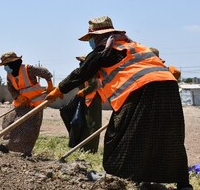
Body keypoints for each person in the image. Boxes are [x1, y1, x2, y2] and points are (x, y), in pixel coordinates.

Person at [46, 16, 192, 189]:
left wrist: (59, 89)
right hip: (168, 87)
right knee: (169, 134)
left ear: (98, 36)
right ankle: (182, 184)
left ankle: (115, 177)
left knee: (118, 134)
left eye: (91, 38)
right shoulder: (135, 46)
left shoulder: (104, 49)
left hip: (140, 90)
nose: (91, 42)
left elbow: (82, 72)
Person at [0, 51, 54, 157]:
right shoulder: (9, 75)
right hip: (20, 103)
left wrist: (50, 86)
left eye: (6, 65)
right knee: (9, 122)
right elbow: (11, 88)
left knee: (29, 128)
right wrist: (19, 97)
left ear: (13, 63)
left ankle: (26, 151)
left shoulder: (28, 69)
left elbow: (45, 72)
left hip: (34, 103)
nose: (5, 67)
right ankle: (5, 145)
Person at [75, 55, 103, 153]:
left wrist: (83, 92)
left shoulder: (92, 70)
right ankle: (85, 147)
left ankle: (91, 149)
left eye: (82, 62)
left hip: (94, 100)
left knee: (92, 124)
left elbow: (93, 84)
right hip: (87, 100)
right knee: (86, 124)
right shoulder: (85, 72)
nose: (80, 64)